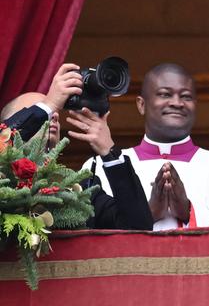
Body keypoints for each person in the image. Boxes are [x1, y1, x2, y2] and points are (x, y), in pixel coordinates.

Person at [83, 63, 209, 230]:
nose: (177, 103)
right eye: (165, 94)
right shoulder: (100, 167)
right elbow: (86, 233)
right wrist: (145, 214)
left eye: (186, 96)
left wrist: (189, 211)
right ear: (141, 105)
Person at [1, 64, 154, 230]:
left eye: (54, 112)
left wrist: (110, 152)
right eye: (43, 112)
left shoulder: (78, 187)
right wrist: (49, 104)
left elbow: (138, 226)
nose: (53, 115)